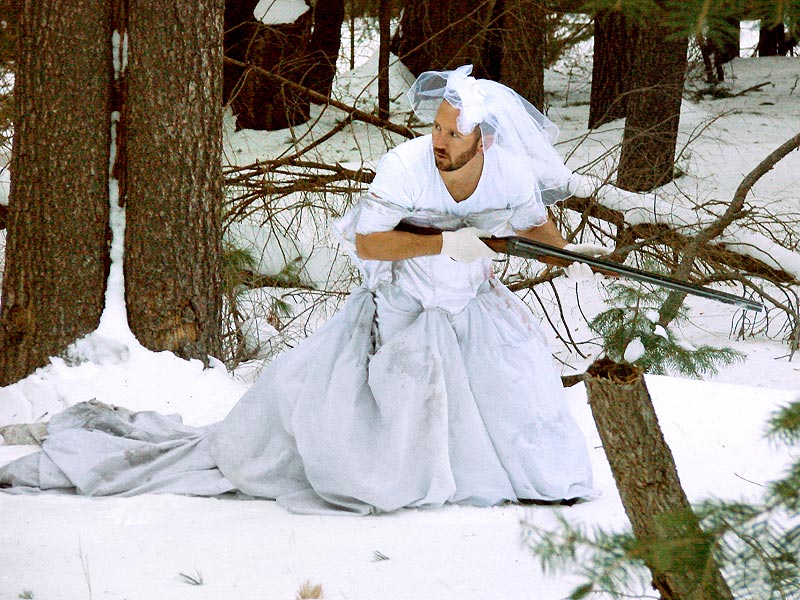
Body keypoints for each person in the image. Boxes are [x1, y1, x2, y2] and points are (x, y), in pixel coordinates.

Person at [0, 65, 599, 514]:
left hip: (471, 309)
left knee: (525, 418)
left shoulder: (510, 171)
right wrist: (448, 243)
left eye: (452, 133)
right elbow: (370, 244)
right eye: (437, 126)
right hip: (404, 310)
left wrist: (566, 255)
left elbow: (535, 226)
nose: (439, 139)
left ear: (483, 141)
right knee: (378, 451)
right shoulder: (405, 166)